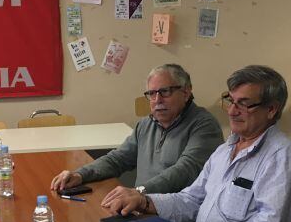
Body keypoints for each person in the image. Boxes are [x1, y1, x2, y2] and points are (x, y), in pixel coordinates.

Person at [105, 65, 291, 222]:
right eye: (231, 101)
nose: (232, 111)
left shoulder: (283, 157)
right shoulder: (225, 150)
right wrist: (144, 201)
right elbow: (191, 199)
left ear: (271, 109)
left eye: (244, 103)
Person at [50, 64, 223, 198]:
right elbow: (118, 159)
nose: (157, 100)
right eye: (152, 93)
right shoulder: (146, 124)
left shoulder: (204, 126)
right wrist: (80, 174)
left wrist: (139, 192)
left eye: (165, 92)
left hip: (178, 215)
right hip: (142, 206)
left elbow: (185, 171)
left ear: (186, 92)